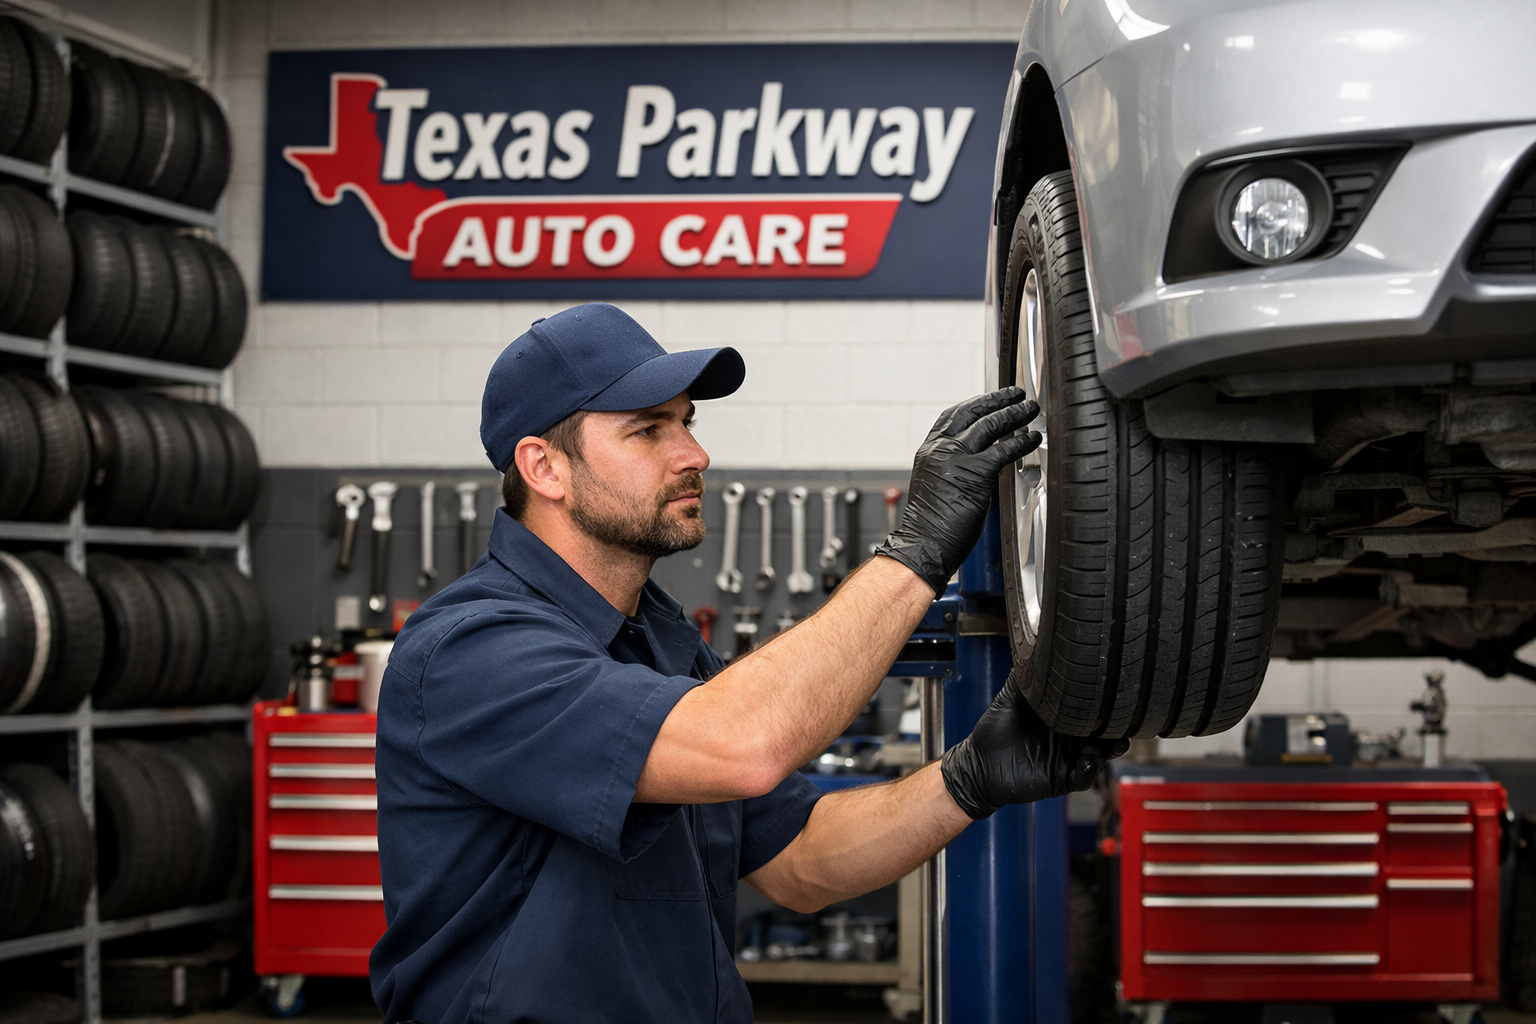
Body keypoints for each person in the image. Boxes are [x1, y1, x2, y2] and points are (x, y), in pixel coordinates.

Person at [369, 303, 1125, 1024]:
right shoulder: (471, 650)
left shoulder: (664, 645)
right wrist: (916, 552)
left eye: (688, 424)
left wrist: (968, 779)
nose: (694, 455)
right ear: (543, 468)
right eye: (647, 431)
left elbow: (801, 861)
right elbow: (747, 745)